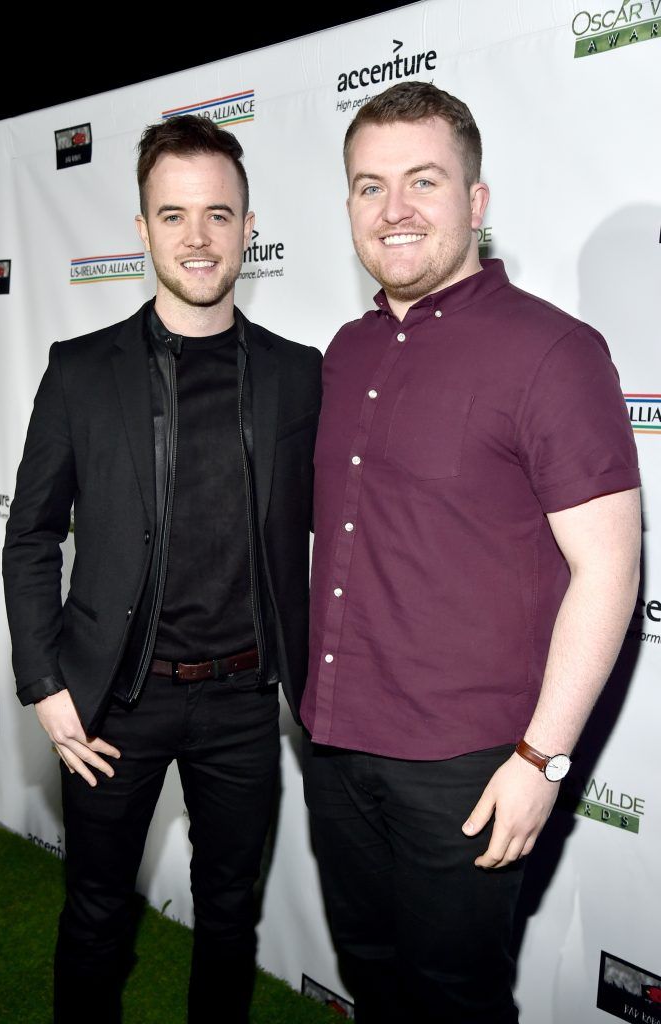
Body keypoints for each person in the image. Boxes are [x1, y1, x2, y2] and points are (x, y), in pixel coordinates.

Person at [301, 81, 641, 1024]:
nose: (395, 209)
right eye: (371, 187)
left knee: (456, 1001)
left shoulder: (555, 352)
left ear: (476, 202)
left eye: (423, 181)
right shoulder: (347, 349)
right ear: (349, 209)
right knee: (372, 975)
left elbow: (609, 569)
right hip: (335, 743)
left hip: (470, 766)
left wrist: (541, 761)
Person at [3, 114, 321, 1024]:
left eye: (218, 214)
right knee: (97, 916)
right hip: (111, 706)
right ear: (142, 229)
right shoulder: (80, 372)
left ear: (249, 226)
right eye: (173, 215)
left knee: (229, 920)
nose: (197, 236)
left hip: (241, 707)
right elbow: (29, 536)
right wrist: (44, 685)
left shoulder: (300, 376)